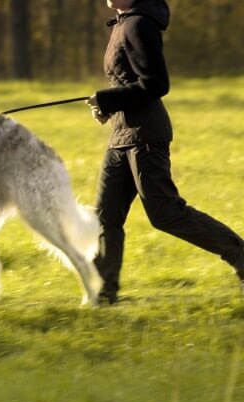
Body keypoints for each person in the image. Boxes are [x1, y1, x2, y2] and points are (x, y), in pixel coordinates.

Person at [87, 0, 244, 304]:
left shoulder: (138, 24)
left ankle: (240, 255)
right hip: (121, 136)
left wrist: (108, 99)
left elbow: (156, 84)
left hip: (146, 136)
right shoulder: (123, 23)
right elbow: (128, 83)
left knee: (166, 214)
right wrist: (107, 107)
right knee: (105, 217)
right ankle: (103, 294)